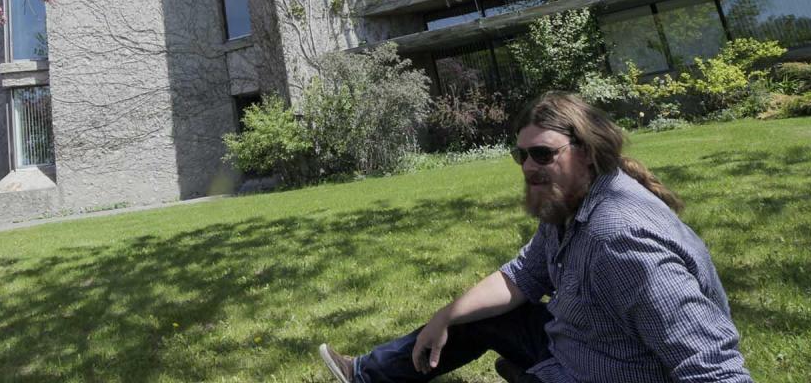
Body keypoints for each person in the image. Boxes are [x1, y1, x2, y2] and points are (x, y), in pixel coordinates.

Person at [318, 92, 751, 382]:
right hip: (585, 340)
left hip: (609, 368)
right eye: (521, 155)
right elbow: (524, 274)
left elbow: (712, 368)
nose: (528, 167)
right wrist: (445, 316)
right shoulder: (568, 204)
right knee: (479, 313)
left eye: (543, 154)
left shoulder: (622, 240)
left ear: (586, 151)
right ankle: (366, 375)